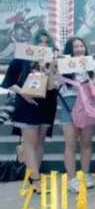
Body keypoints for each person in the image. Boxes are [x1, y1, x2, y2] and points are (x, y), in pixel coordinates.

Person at [1, 29, 58, 194]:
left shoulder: (52, 59)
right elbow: (9, 81)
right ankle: (37, 180)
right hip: (26, 103)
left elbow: (51, 87)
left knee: (40, 142)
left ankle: (34, 175)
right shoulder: (23, 56)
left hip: (47, 104)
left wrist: (49, 68)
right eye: (40, 41)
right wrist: (23, 93)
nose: (43, 45)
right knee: (30, 142)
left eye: (47, 42)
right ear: (34, 42)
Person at [56, 37, 95, 193]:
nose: (79, 49)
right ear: (70, 50)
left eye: (81, 46)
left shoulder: (91, 63)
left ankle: (85, 174)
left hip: (87, 105)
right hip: (69, 104)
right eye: (75, 47)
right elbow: (54, 85)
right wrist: (52, 68)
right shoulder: (62, 64)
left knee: (86, 142)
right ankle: (72, 179)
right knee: (70, 143)